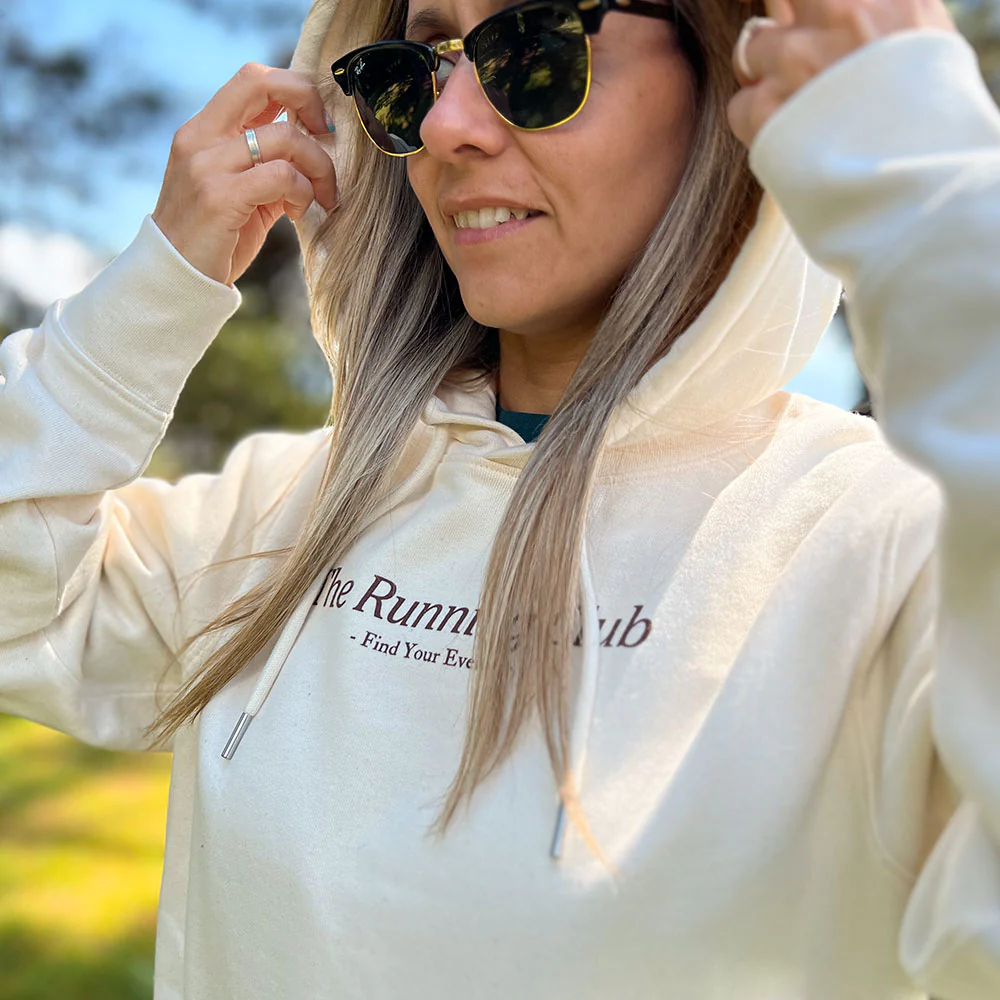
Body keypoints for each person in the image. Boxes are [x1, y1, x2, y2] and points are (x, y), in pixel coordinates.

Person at [0, 0, 996, 995]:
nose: (444, 125)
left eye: (533, 50)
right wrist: (162, 277)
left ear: (728, 81)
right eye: (418, 67)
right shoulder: (284, 510)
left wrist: (934, 204)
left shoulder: (887, 541)